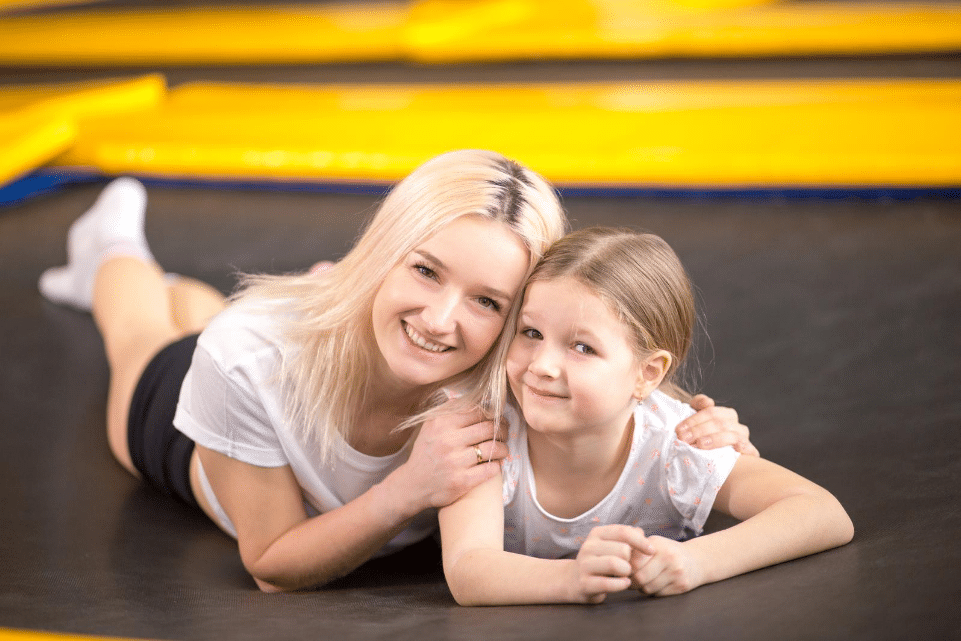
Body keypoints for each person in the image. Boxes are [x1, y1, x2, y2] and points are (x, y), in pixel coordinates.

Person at [38, 150, 754, 592]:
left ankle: (277, 289)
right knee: (141, 333)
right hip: (190, 443)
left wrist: (698, 425)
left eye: (486, 300)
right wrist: (406, 489)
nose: (443, 321)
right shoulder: (244, 356)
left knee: (204, 311)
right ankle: (109, 244)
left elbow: (599, 368)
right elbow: (271, 564)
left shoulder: (515, 362)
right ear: (387, 248)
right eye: (423, 269)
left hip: (317, 326)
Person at [439, 226, 854, 606]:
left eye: (582, 347)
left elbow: (821, 512)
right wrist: (570, 577)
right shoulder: (485, 433)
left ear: (646, 373)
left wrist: (697, 562)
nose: (542, 365)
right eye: (531, 333)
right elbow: (468, 568)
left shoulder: (676, 445)